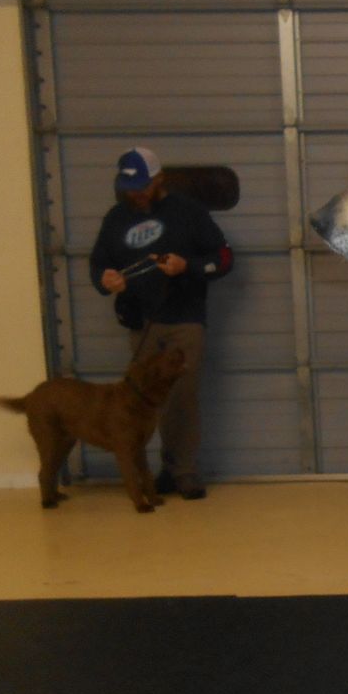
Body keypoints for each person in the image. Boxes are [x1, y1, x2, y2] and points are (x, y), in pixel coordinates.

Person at [89, 147, 233, 500]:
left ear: (159, 179)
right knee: (137, 398)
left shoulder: (188, 213)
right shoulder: (116, 219)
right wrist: (104, 280)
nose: (134, 193)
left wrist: (189, 268)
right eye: (128, 186)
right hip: (142, 324)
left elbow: (224, 258)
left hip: (184, 319)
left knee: (181, 397)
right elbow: (98, 265)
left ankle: (182, 471)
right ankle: (148, 473)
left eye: (141, 185)